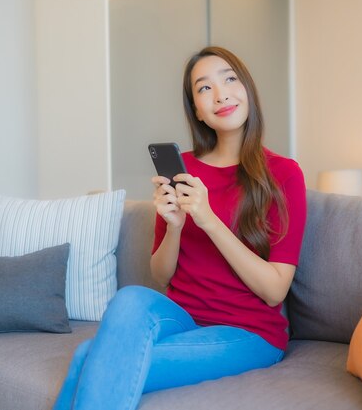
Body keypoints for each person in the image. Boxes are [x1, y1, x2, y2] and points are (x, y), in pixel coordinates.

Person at [53, 46, 307, 410]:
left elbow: (274, 291)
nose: (220, 95)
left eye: (229, 79)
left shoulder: (283, 174)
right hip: (182, 318)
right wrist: (174, 227)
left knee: (86, 359)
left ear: (247, 89)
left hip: (248, 333)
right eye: (204, 89)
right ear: (198, 111)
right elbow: (161, 274)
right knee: (130, 298)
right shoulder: (183, 169)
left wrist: (209, 221)